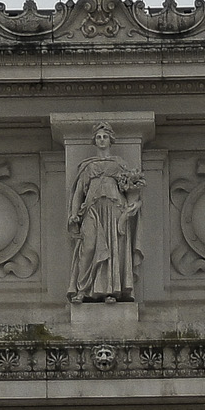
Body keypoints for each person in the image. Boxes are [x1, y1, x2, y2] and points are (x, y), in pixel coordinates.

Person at [67, 124, 140, 302]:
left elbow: (130, 192)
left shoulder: (119, 165)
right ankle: (82, 290)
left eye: (104, 137)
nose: (101, 140)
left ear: (110, 140)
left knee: (114, 248)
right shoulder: (87, 167)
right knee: (88, 248)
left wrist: (132, 204)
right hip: (91, 209)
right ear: (94, 141)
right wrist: (74, 213)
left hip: (114, 209)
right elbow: (78, 193)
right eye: (98, 137)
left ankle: (111, 291)